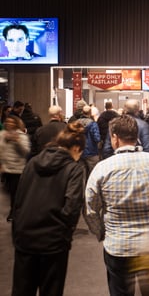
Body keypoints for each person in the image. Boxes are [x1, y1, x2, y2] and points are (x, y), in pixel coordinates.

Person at [84, 114, 149, 296]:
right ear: (136, 135)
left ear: (115, 137)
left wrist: (102, 233)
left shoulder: (103, 168)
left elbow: (91, 209)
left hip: (118, 246)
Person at [11, 122, 86, 296]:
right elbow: (72, 207)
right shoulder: (73, 169)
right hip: (53, 242)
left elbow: (18, 199)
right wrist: (65, 234)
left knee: (21, 290)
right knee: (51, 290)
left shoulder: (33, 162)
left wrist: (17, 230)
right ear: (75, 148)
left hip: (25, 238)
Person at [0, 115, 30, 222]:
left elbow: (26, 152)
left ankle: (14, 213)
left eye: (12, 122)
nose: (9, 124)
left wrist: (17, 141)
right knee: (10, 192)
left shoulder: (22, 136)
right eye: (7, 122)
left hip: (17, 169)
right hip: (6, 169)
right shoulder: (2, 135)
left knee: (15, 193)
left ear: (17, 124)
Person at [77, 105, 101, 175]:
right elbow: (97, 138)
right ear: (90, 113)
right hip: (92, 152)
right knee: (94, 173)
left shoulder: (76, 123)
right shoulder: (93, 124)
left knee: (81, 174)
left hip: (80, 152)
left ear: (82, 112)